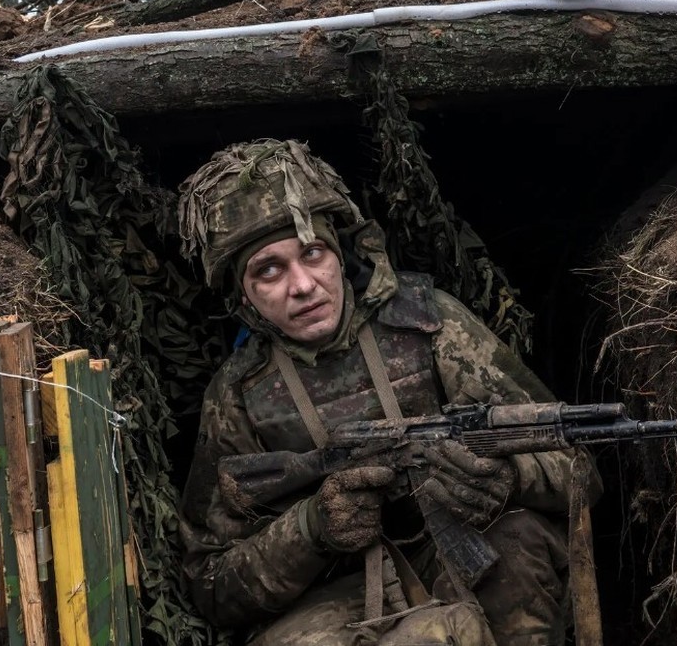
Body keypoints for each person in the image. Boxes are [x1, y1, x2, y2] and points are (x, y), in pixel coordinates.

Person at [176, 139, 599, 646]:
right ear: (243, 296)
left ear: (341, 253)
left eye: (313, 253)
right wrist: (313, 529)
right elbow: (212, 586)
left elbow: (578, 467)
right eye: (269, 270)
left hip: (459, 554)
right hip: (332, 597)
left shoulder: (432, 324)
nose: (303, 285)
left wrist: (510, 477)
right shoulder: (239, 396)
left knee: (520, 540)